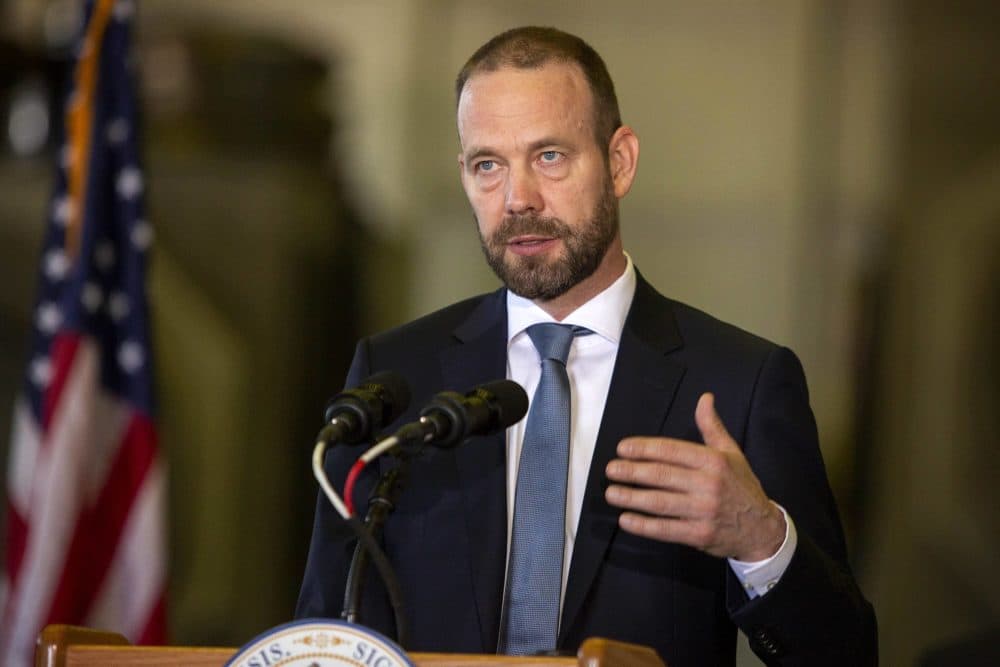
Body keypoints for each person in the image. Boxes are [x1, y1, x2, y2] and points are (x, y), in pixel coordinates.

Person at [297, 26, 877, 666]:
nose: (517, 199)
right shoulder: (397, 375)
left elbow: (844, 655)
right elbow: (321, 636)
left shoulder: (742, 382)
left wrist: (759, 539)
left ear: (620, 161)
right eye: (488, 164)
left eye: (549, 156)